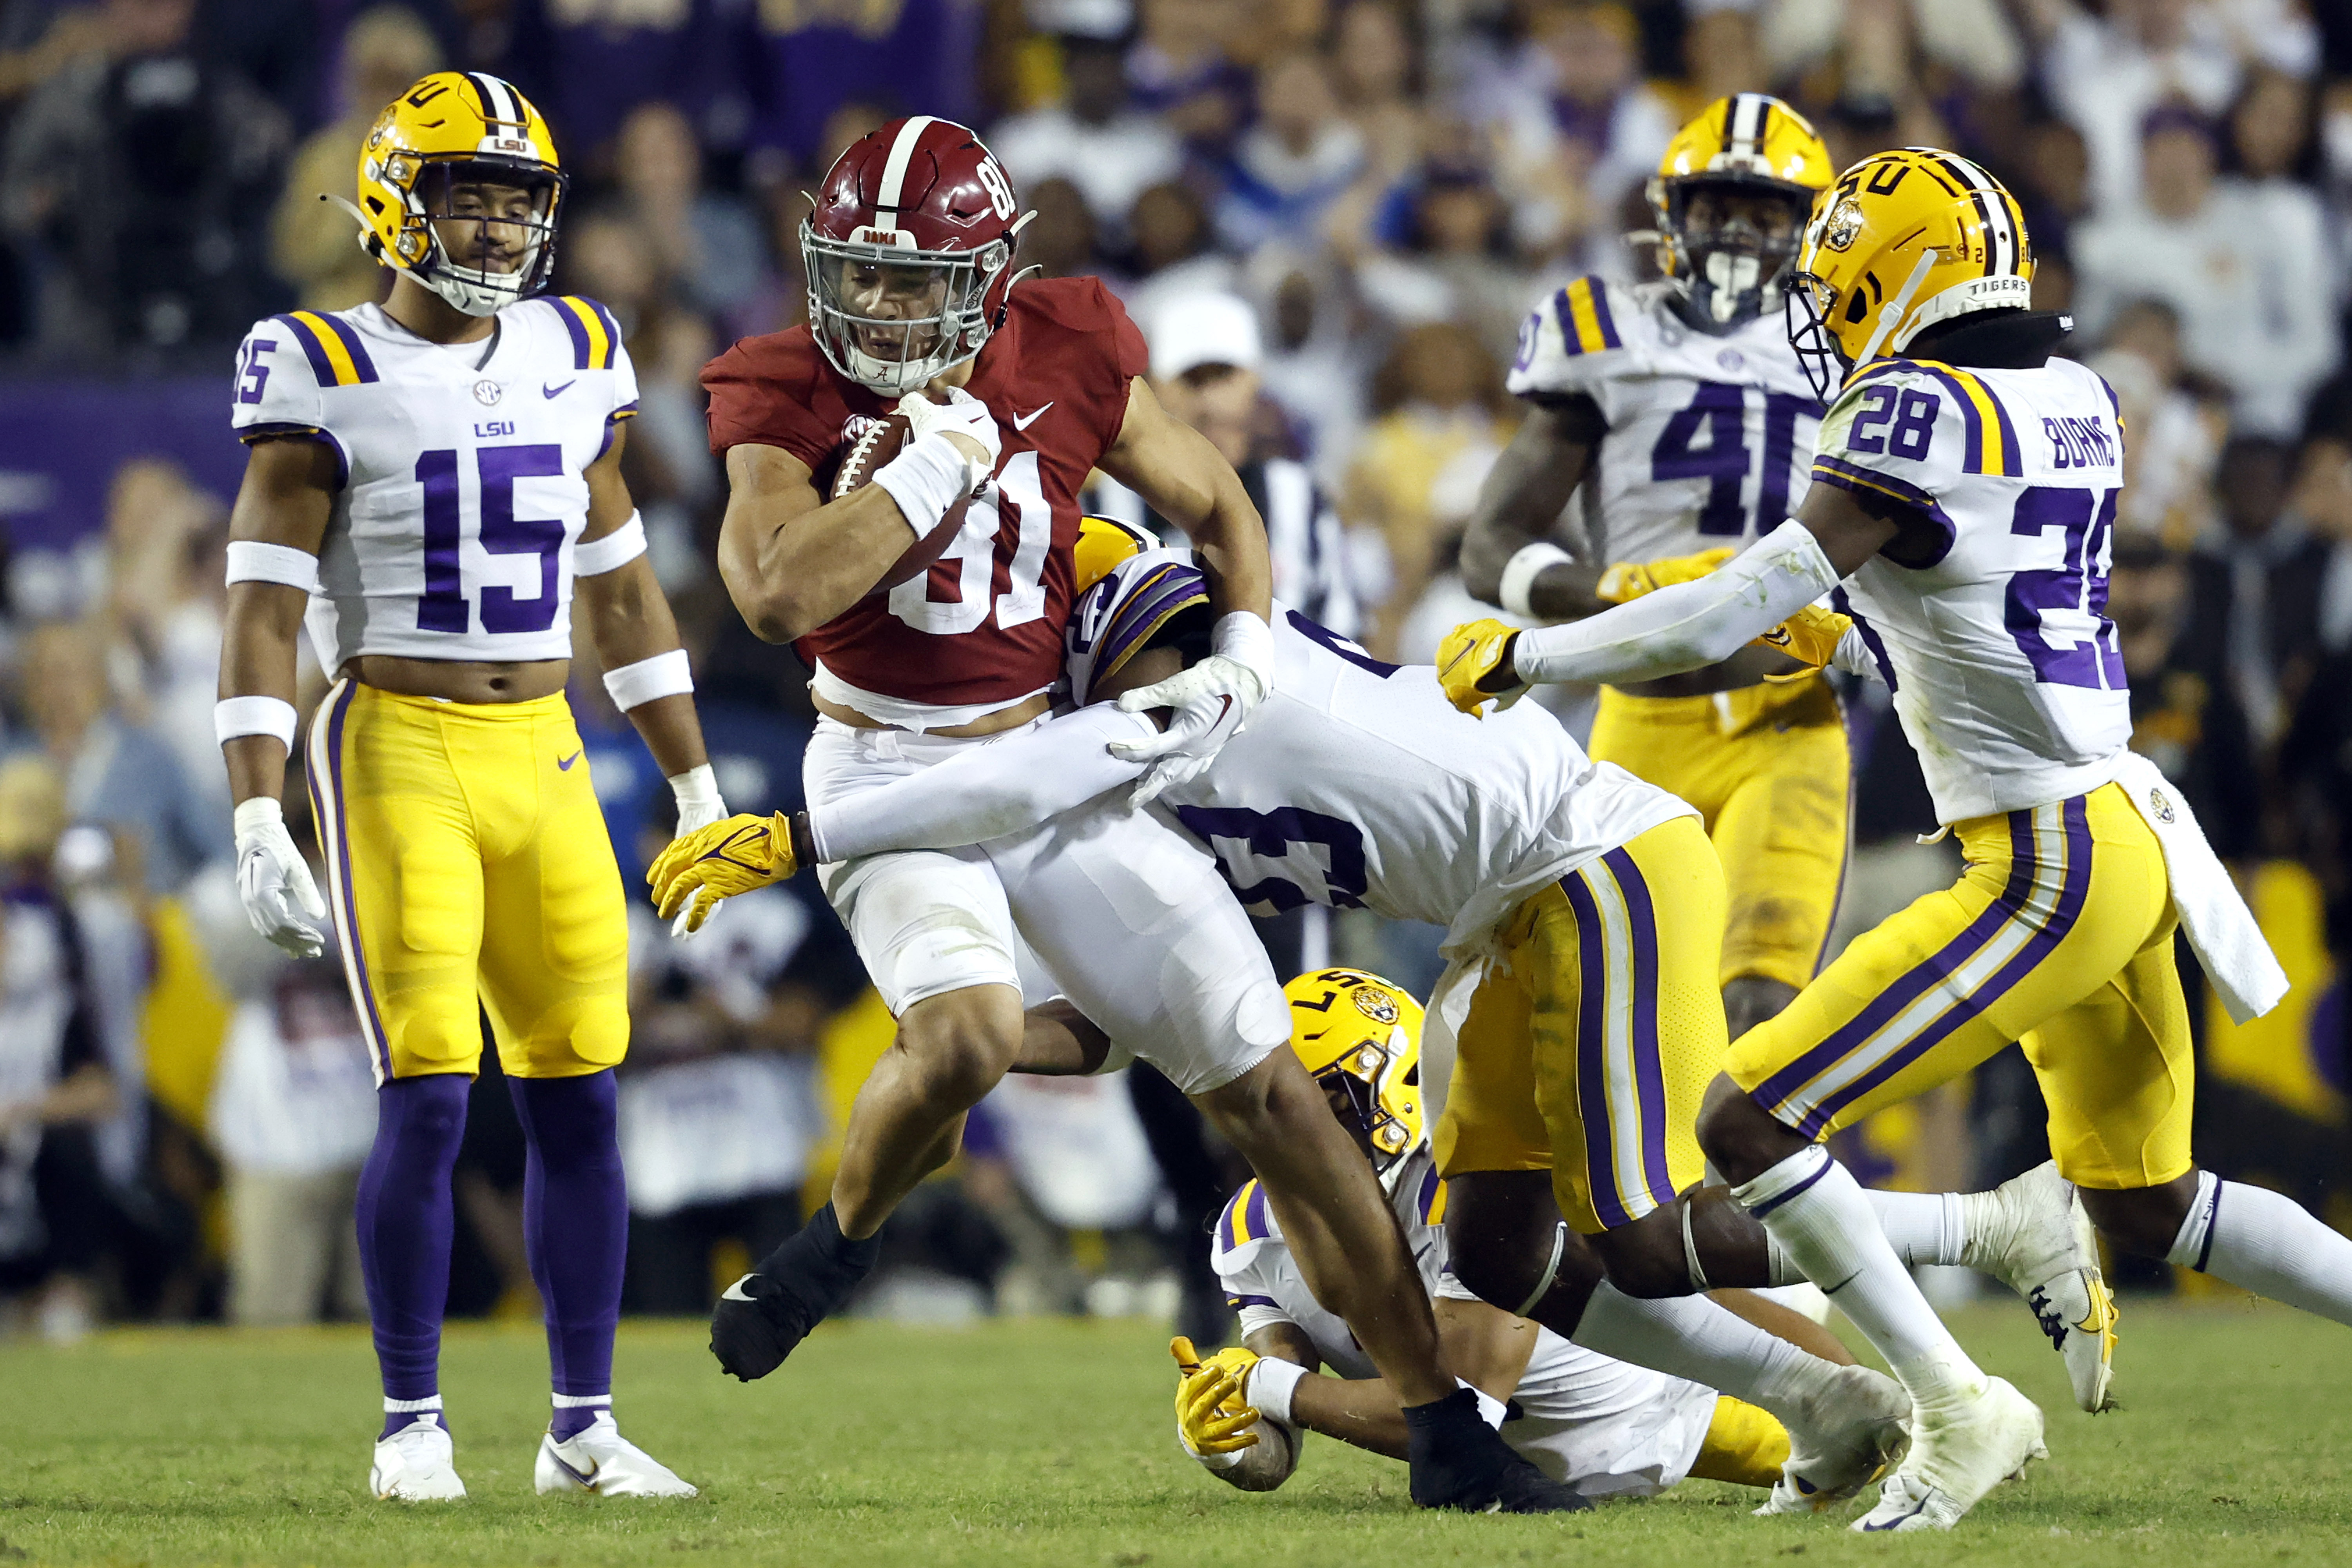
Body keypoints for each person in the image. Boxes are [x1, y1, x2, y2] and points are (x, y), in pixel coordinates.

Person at [654, 521, 2108, 1513]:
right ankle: (1828, 1403)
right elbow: (1097, 1024)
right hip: (1500, 915)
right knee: (1496, 1256)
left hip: (1594, 859)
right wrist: (956, 1045)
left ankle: (1974, 1326)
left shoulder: (1208, 689)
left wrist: (803, 832)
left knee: (1643, 1230)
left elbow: (1048, 769)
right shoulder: (1140, 777)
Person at [1433, 146, 2352, 1533]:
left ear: (1895, 272)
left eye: (1839, 272)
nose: (1822, 301)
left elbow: (1722, 609)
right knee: (2152, 1210)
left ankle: (1958, 1408)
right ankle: (1994, 1299)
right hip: (2122, 825)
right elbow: (1968, 587)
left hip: (2044, 861)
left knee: (1746, 1114)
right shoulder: (2077, 392)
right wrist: (1856, 623)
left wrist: (1535, 650)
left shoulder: (1914, 407)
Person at [676, 115, 1580, 1515]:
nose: (880, 307)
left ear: (989, 278)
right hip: (883, 772)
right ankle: (842, 1242)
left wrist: (1254, 647)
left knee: (1273, 1087)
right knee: (970, 1036)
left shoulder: (1074, 339)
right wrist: (929, 465)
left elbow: (1214, 497)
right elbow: (778, 596)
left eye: (917, 282)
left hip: (1049, 764)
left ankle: (1444, 1429)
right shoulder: (777, 385)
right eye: (859, 273)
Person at [217, 71, 724, 1502]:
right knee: (431, 1089)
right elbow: (259, 611)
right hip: (393, 742)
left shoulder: (577, 344)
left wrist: (688, 780)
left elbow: (621, 595)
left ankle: (583, 1428)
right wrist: (258, 805)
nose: (499, 227)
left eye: (519, 199)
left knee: (582, 1090)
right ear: (394, 200)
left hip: (548, 751)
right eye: (468, 194)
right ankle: (410, 1424)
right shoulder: (318, 357)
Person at [1460, 94, 1845, 1049]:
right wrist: (1615, 596)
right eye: (1718, 205)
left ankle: (1750, 1199)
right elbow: (1490, 545)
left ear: (1809, 230)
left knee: (1763, 1008)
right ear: (1673, 212)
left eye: (1765, 213)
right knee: (1608, 1007)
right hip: (1642, 709)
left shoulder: (1856, 355)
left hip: (1788, 713)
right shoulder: (1605, 332)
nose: (1738, 232)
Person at [1171, 968, 1797, 1503]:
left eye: (1320, 1103)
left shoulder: (1463, 1193)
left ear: (1396, 1084)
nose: (1291, 1126)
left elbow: (1456, 1412)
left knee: (1866, 1434)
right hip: (1544, 1465)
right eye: (1269, 1103)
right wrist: (1227, 1432)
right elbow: (1278, 1419)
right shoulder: (1247, 1236)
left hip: (1661, 1402)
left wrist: (1268, 1387)